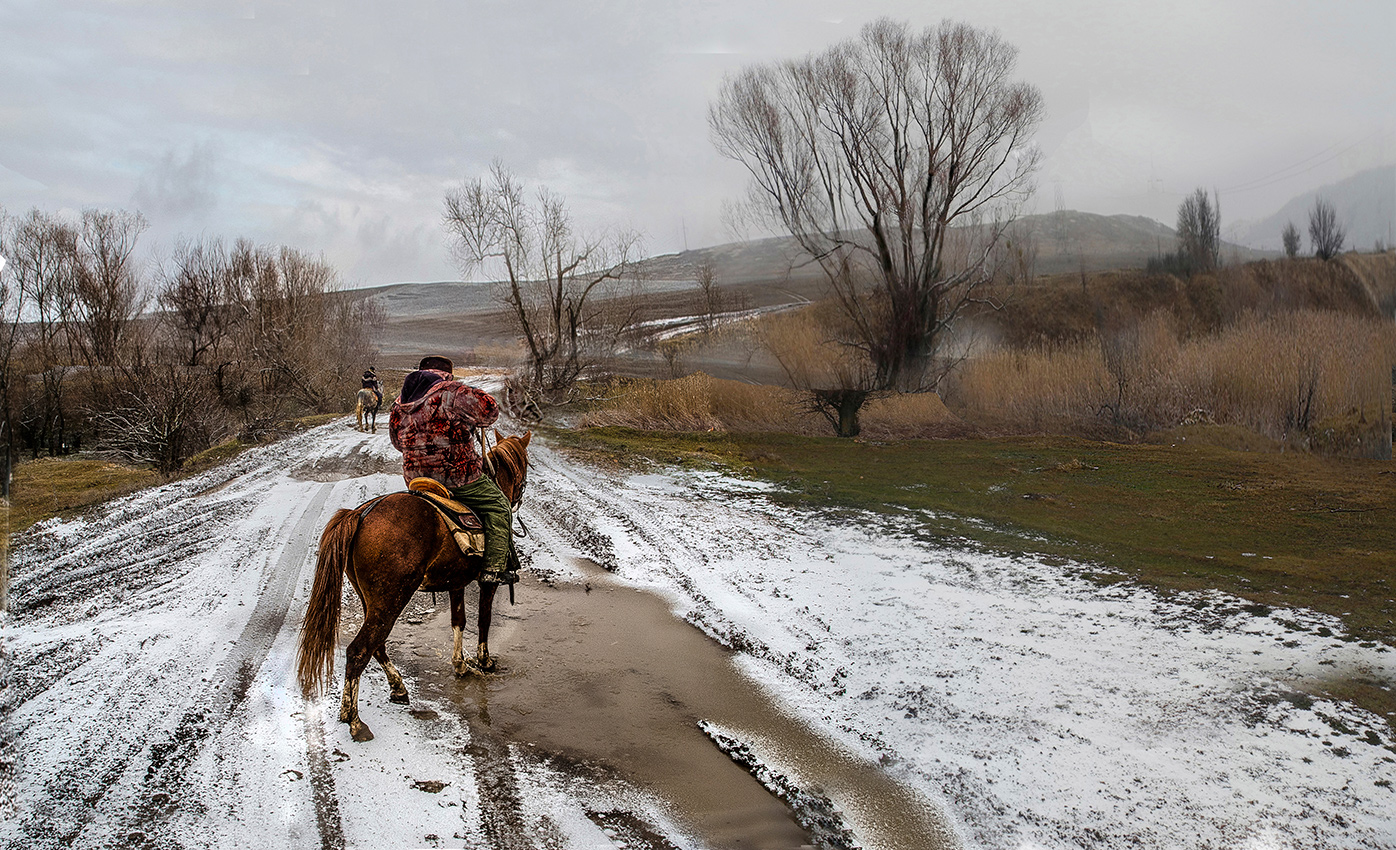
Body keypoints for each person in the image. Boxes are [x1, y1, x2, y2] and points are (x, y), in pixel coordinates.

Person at [388, 355, 518, 587]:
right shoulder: (452, 392)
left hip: (416, 479)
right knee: (499, 506)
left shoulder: (400, 402)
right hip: (458, 477)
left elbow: (397, 443)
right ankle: (493, 570)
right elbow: (490, 411)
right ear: (447, 374)